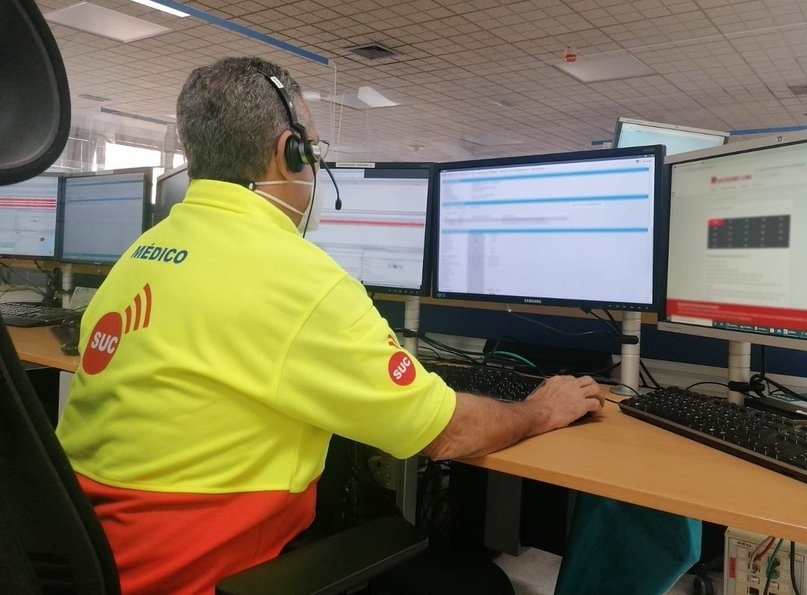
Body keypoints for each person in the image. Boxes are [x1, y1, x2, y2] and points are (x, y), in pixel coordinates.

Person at [56, 56, 604, 595]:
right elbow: (447, 432)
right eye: (312, 150)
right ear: (286, 151)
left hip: (91, 557)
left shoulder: (141, 255)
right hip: (208, 576)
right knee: (479, 584)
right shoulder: (299, 278)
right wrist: (541, 408)